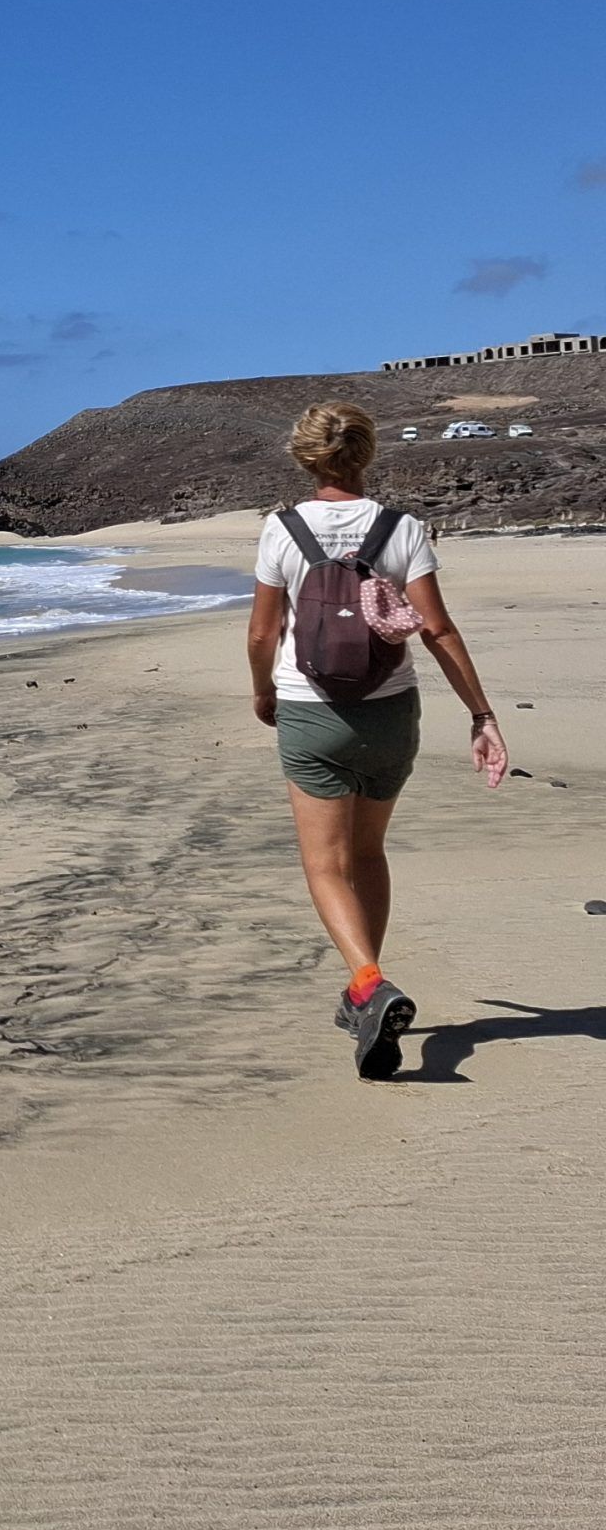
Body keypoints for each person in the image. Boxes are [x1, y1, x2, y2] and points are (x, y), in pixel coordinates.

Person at [245, 401, 503, 1079]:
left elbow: (261, 634)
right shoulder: (405, 529)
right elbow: (437, 629)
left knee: (326, 865)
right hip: (392, 714)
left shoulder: (281, 529)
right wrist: (481, 715)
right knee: (368, 851)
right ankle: (367, 994)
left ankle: (367, 980)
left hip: (312, 711)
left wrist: (264, 691)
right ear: (367, 454)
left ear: (303, 456)